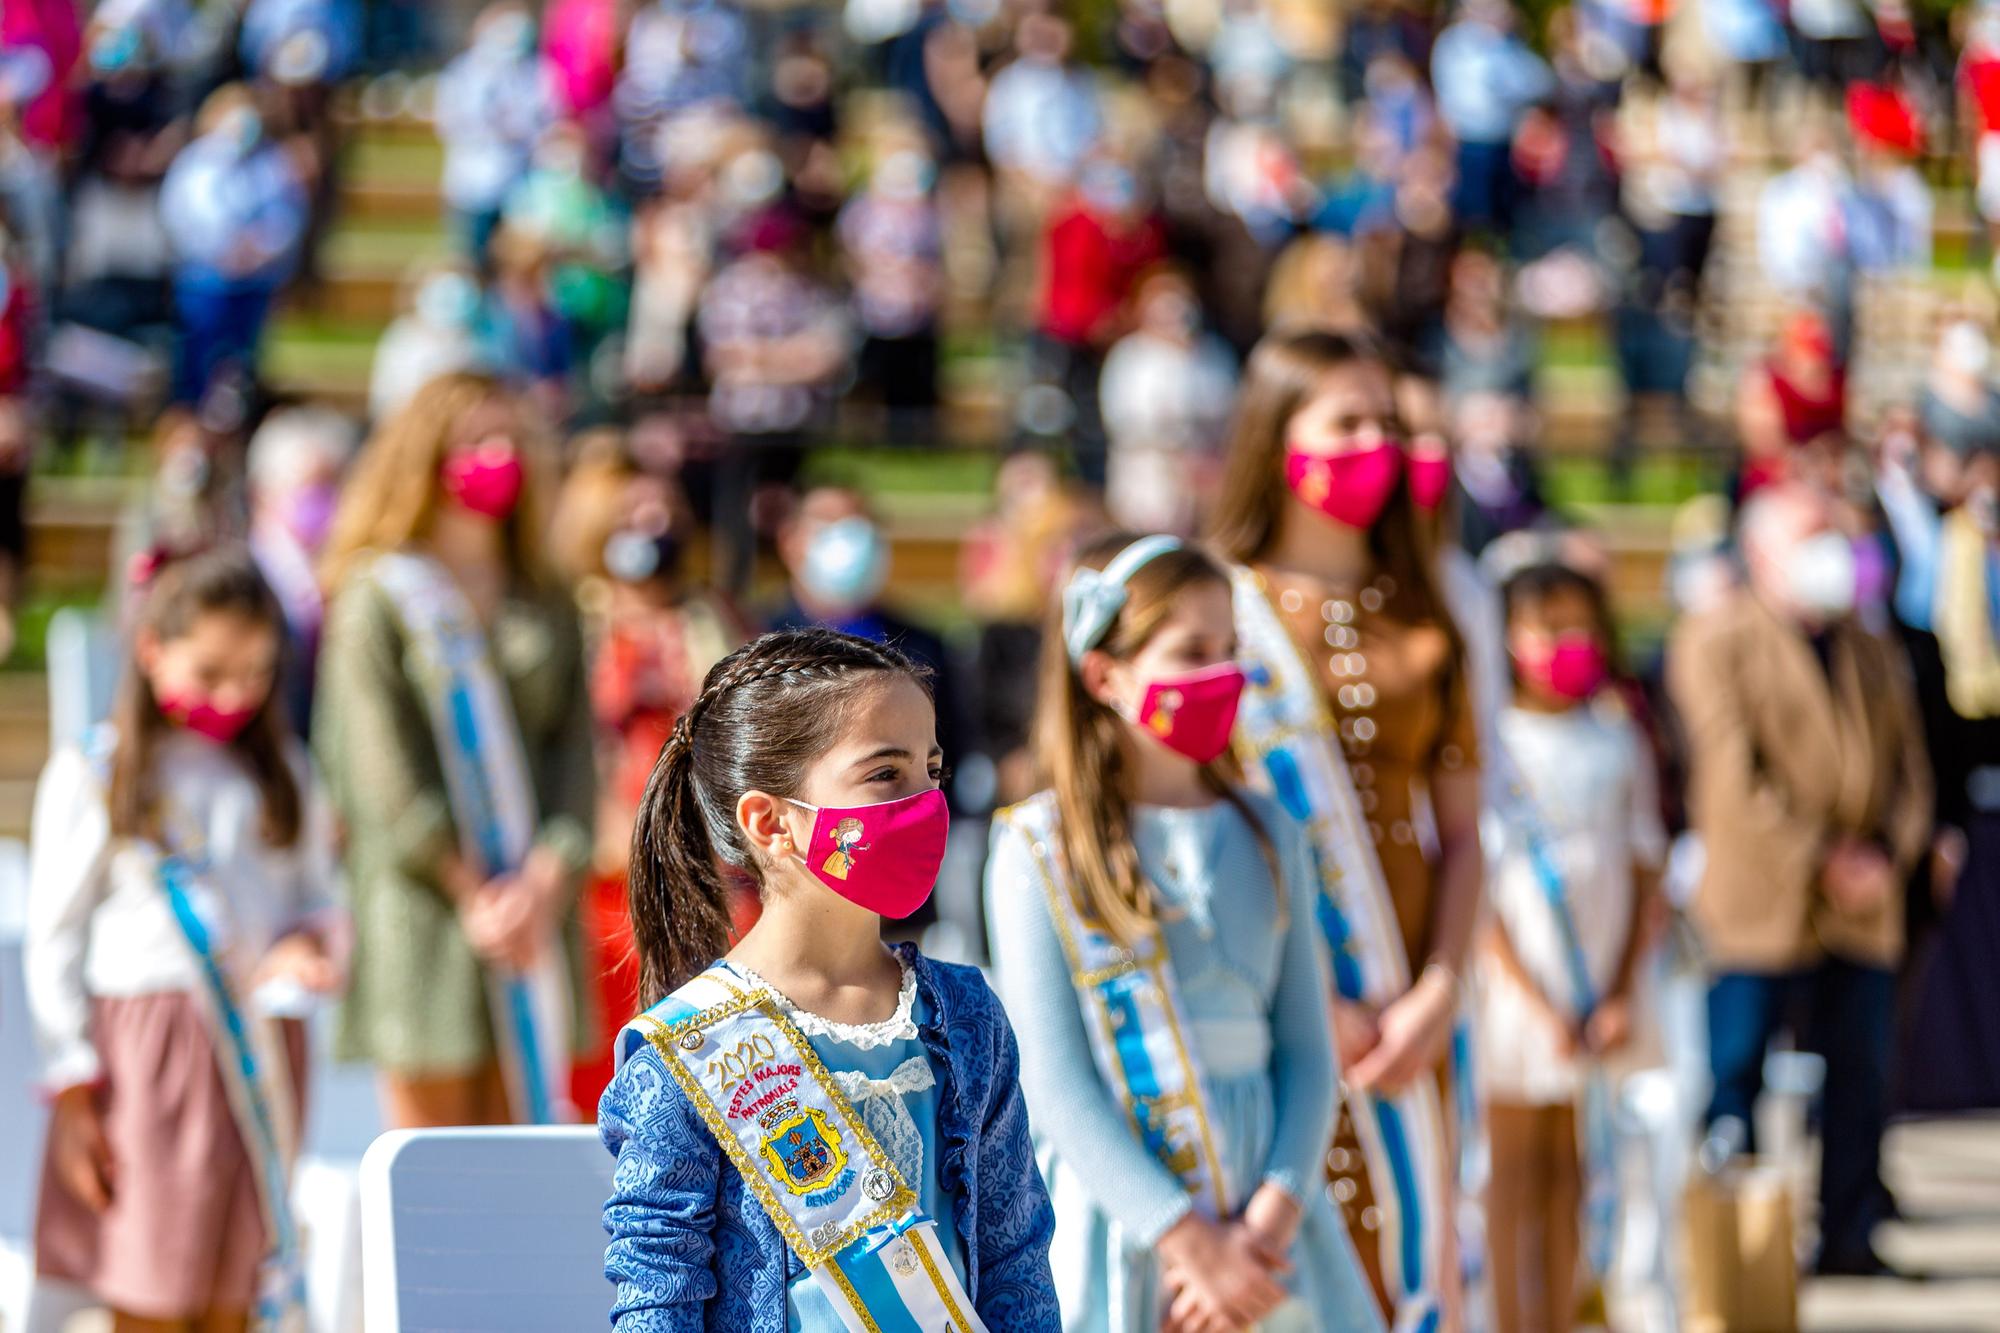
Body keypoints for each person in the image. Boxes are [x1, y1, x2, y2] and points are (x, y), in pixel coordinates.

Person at [598, 628, 1062, 1330]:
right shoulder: (688, 1046)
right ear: (770, 821)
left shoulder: (965, 1014)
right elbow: (657, 1293)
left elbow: (1015, 1266)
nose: (924, 800)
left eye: (931, 770)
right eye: (885, 774)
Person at [985, 533, 1383, 1332]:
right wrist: (1191, 1243)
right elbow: (1056, 1084)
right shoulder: (1038, 849)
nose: (1222, 674)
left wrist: (1266, 1224)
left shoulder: (1273, 829)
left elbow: (1307, 1049)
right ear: (1104, 675)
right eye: (1192, 651)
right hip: (1129, 1226)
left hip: (1273, 1215)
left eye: (1230, 650)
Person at [1209, 327, 1485, 1327]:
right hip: (1266, 1003)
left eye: (1387, 423)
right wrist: (1310, 1002)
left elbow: (1463, 835)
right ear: (1277, 437)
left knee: (1408, 1268)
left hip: (1409, 1002)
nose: (1375, 441)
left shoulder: (1430, 609)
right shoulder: (1212, 610)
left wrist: (1440, 989)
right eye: (1347, 421)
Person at [26, 547, 342, 1331]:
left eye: (255, 673)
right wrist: (72, 1079)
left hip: (257, 1053)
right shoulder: (98, 773)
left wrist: (311, 947)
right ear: (151, 650)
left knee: (238, 1280)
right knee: (152, 1283)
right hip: (146, 1062)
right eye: (209, 672)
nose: (233, 694)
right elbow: (55, 934)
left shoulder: (283, 774)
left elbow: (318, 898)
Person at [314, 371, 596, 1129]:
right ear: (427, 452)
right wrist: (471, 889)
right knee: (434, 1178)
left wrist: (543, 879)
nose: (497, 455)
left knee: (525, 1166)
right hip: (426, 908)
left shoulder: (548, 593)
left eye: (510, 439)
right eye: (476, 439)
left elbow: (575, 754)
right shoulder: (377, 595)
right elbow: (379, 770)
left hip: (534, 910)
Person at [1666, 483, 1932, 1275]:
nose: (1832, 551)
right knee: (1737, 1073)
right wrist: (1822, 855)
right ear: (1761, 551)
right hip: (1762, 899)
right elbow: (1732, 778)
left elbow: (1909, 770)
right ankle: (1737, 1258)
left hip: (1863, 899)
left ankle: (1850, 1232)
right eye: (1812, 533)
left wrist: (1885, 851)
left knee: (1859, 1074)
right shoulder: (1716, 638)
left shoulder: (1870, 645)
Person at [1477, 560, 1664, 1333]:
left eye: (1581, 626)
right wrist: (1537, 997)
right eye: (1548, 628)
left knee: (1571, 1173)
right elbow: (1481, 893)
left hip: (1600, 985)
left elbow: (1646, 866)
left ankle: (1559, 1314)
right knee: (1512, 1173)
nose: (1567, 644)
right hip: (1519, 991)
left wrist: (1618, 990)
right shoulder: (1493, 742)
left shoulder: (1618, 739)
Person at [773, 486, 962, 780]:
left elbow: (951, 753)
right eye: (829, 521)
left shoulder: (923, 645)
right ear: (790, 541)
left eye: (860, 523)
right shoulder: (762, 638)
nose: (849, 536)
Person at [159, 84, 308, 404]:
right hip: (205, 280)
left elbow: (287, 217)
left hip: (255, 280)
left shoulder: (273, 164)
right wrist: (223, 250)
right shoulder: (195, 162)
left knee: (241, 363)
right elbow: (182, 218)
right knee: (199, 358)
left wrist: (260, 249)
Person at [1097, 268, 1238, 535]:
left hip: (1202, 477)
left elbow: (1228, 406)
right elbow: (1123, 418)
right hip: (1148, 474)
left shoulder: (1212, 353)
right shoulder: (1130, 355)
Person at [245, 405, 357, 737]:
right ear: (263, 493)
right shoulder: (248, 577)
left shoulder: (351, 570)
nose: (325, 500)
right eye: (312, 486)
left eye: (335, 483)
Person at [434, 2, 558, 267]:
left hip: (521, 186)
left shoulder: (537, 73)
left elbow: (543, 123)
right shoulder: (463, 73)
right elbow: (451, 122)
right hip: (471, 184)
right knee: (472, 261)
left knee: (516, 264)